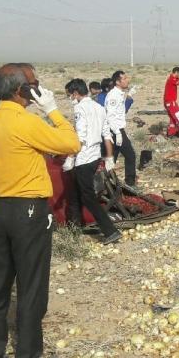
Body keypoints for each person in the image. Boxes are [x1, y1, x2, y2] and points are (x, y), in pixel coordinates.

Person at [0, 63, 81, 358]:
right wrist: (53, 110)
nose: (38, 87)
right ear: (23, 91)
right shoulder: (26, 123)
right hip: (29, 210)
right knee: (31, 287)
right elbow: (71, 143)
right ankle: (28, 352)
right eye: (35, 83)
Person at [63, 78, 121, 244]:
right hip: (95, 156)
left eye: (70, 95)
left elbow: (80, 137)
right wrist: (109, 157)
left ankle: (110, 231)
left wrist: (70, 157)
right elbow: (106, 135)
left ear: (75, 93)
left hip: (83, 157)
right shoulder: (99, 107)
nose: (70, 99)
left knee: (87, 196)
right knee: (75, 193)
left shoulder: (80, 109)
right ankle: (74, 226)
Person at [105, 70, 139, 186]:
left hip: (118, 129)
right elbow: (110, 116)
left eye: (126, 78)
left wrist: (129, 96)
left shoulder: (119, 94)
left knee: (112, 158)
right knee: (130, 155)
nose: (127, 80)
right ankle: (130, 182)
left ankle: (107, 182)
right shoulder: (113, 96)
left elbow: (121, 112)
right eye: (124, 79)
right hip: (115, 130)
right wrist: (117, 132)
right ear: (117, 82)